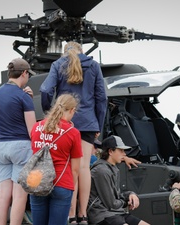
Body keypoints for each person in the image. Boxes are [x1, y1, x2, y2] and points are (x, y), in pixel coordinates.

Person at [40, 41, 107, 224]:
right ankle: (83, 214)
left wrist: (50, 112)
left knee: (70, 167)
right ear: (82, 51)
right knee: (84, 167)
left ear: (65, 52)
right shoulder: (93, 65)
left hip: (64, 121)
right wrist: (97, 126)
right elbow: (102, 98)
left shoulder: (58, 65)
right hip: (87, 123)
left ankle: (70, 216)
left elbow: (45, 89)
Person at [0, 58, 36, 225]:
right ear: (24, 73)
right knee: (19, 196)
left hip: (1, 146)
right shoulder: (23, 97)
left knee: (4, 195)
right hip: (20, 147)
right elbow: (32, 131)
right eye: (28, 75)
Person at [29, 93, 83, 225]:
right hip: (61, 183)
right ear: (72, 110)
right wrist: (71, 189)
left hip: (37, 182)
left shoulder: (36, 127)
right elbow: (75, 169)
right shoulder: (73, 132)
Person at [88, 135, 150, 225]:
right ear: (110, 151)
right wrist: (126, 202)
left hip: (116, 213)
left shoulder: (113, 168)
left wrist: (130, 194)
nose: (124, 154)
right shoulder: (101, 171)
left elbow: (116, 196)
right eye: (121, 150)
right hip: (102, 216)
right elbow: (111, 204)